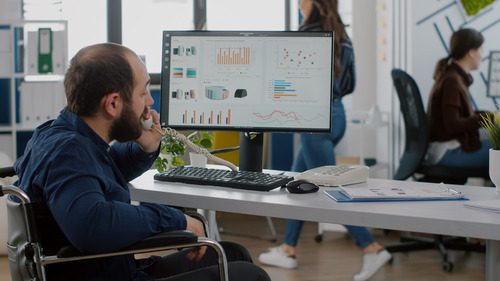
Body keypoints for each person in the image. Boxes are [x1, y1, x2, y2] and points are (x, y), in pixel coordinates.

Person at [13, 43, 271, 281]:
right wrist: (177, 220)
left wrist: (144, 148)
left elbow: (97, 175)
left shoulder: (58, 135)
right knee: (250, 276)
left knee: (231, 254)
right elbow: (93, 225)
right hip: (106, 274)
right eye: (143, 91)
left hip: (111, 268)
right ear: (113, 103)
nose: (150, 102)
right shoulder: (68, 153)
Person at [258, 1, 391, 281]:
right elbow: (350, 84)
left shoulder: (308, 33)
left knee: (330, 192)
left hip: (314, 119)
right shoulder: (341, 33)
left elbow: (290, 79)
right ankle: (288, 248)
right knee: (296, 184)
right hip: (337, 114)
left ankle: (371, 247)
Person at [426, 28, 491, 169]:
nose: (482, 55)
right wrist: (489, 118)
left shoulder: (452, 76)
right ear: (472, 53)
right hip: (446, 151)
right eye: (481, 50)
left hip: (446, 147)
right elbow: (453, 125)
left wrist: (490, 116)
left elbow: (459, 117)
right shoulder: (452, 81)